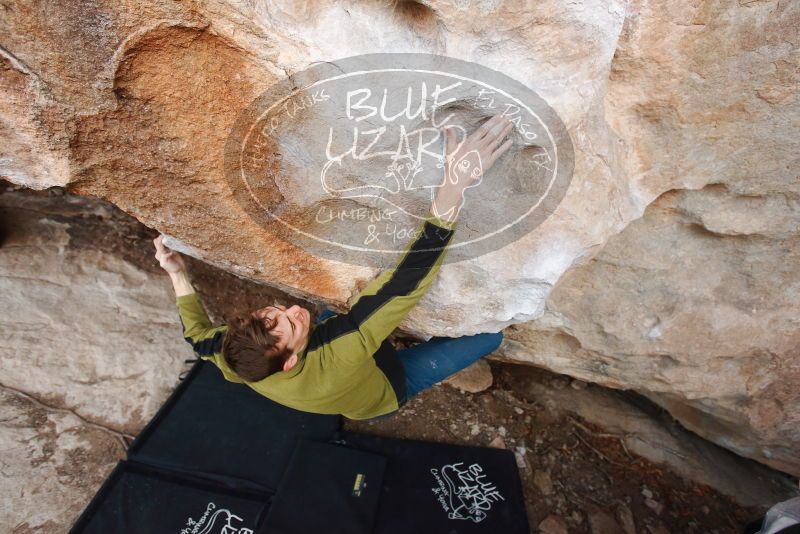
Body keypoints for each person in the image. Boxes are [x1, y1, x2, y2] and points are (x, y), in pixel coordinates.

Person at [154, 114, 515, 420]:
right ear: (291, 362)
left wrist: (175, 271)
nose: (295, 309)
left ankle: (381, 331)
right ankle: (402, 345)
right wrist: (455, 183)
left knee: (330, 314)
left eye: (276, 312)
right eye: (292, 323)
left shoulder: (234, 359)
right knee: (491, 337)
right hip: (386, 387)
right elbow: (407, 281)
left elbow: (196, 338)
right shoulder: (341, 352)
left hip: (343, 354)